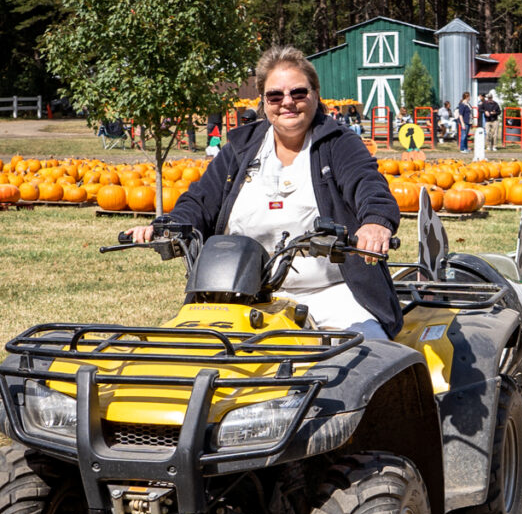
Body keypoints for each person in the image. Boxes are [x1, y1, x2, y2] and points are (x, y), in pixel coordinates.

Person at [126, 45, 402, 340]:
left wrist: (375, 222)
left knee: (365, 353)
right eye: (275, 95)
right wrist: (168, 227)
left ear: (315, 93)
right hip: (243, 298)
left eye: (298, 93)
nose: (288, 103)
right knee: (189, 355)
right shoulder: (241, 148)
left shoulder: (338, 142)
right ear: (263, 100)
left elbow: (368, 184)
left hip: (331, 294)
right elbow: (199, 200)